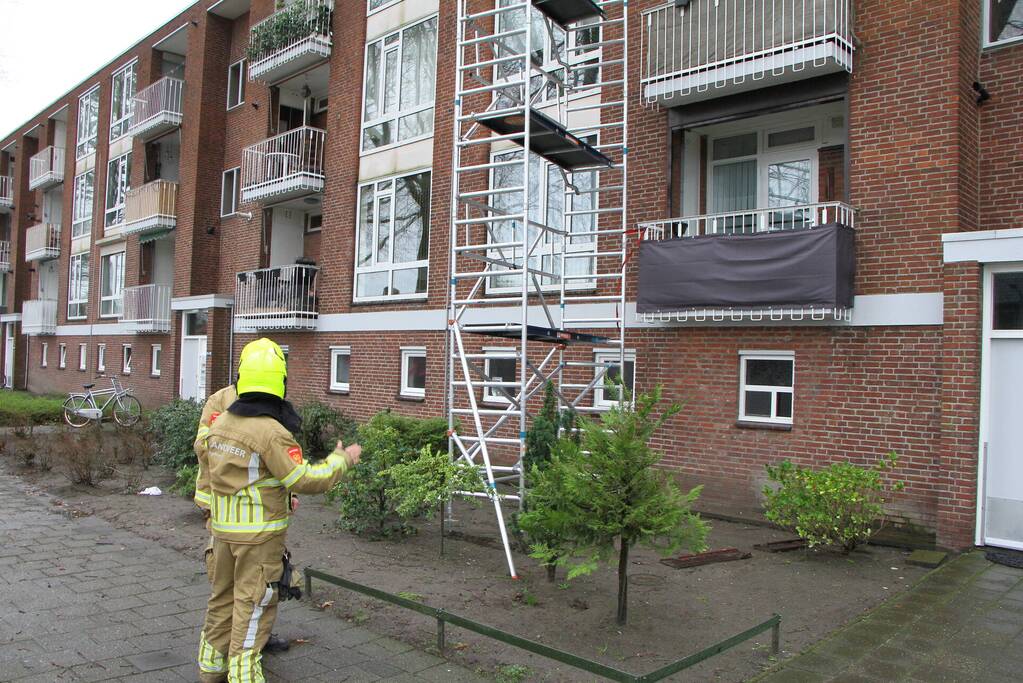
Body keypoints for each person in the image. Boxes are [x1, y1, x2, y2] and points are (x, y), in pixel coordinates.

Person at [195, 338, 361, 683]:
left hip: (223, 533)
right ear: (279, 381)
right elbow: (304, 478)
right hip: (259, 539)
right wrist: (341, 461)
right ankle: (244, 676)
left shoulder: (221, 421)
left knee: (221, 600)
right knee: (253, 606)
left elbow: (235, 474)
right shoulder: (271, 432)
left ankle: (210, 670)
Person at [193, 341, 292, 655]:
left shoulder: (272, 400)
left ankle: (255, 638)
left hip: (262, 510)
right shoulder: (220, 401)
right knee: (227, 584)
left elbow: (277, 458)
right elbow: (205, 447)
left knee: (260, 580)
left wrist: (288, 493)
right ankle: (237, 649)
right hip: (225, 507)